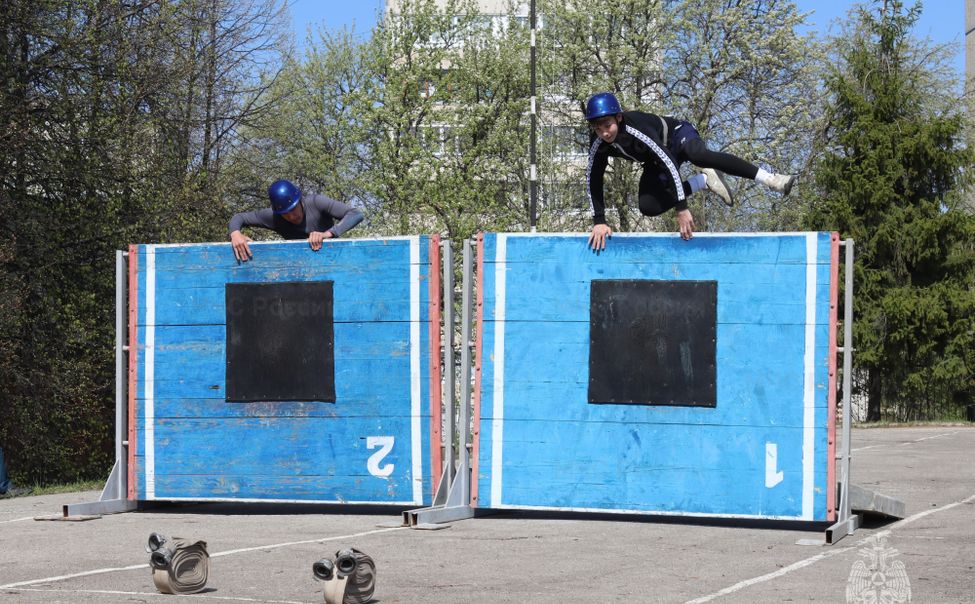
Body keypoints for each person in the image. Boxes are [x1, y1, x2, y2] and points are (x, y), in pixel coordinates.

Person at [584, 92, 797, 248]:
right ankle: (704, 181)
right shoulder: (598, 143)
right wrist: (599, 222)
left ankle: (771, 179)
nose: (604, 133)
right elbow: (593, 178)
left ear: (618, 118)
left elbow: (667, 161)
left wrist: (682, 208)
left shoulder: (635, 129)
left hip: (677, 136)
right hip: (656, 159)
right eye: (597, 128)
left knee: (699, 155)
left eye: (607, 125)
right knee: (648, 206)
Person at [229, 179, 365, 262]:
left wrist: (327, 234)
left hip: (332, 261)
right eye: (285, 214)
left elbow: (356, 214)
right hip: (300, 268)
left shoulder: (317, 202)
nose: (291, 216)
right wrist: (235, 234)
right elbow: (239, 217)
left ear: (300, 200)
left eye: (293, 209)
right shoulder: (273, 217)